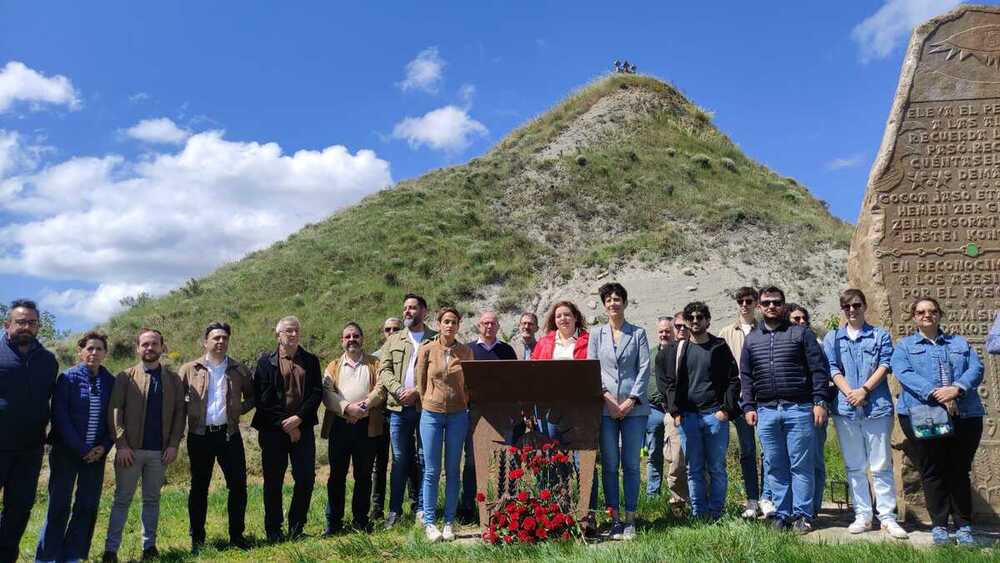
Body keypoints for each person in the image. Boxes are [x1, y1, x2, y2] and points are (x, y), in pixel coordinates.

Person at [891, 297, 984, 546]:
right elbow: (904, 373)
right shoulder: (904, 347)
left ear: (940, 314)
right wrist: (936, 393)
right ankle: (940, 525)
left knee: (959, 470)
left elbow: (976, 368)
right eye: (921, 312)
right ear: (914, 317)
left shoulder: (959, 343)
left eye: (932, 311)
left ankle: (964, 525)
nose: (927, 315)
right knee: (932, 470)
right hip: (923, 414)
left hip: (965, 414)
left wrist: (957, 388)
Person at [740, 286, 829, 534]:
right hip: (766, 411)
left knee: (801, 465)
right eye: (766, 303)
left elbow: (818, 370)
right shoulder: (752, 339)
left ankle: (803, 515)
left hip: (799, 408)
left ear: (783, 305)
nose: (771, 307)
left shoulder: (800, 334)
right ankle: (781, 513)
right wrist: (748, 406)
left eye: (776, 302)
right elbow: (746, 377)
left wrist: (820, 401)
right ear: (759, 306)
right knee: (775, 465)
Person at [822, 290, 907, 539]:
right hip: (845, 408)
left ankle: (887, 517)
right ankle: (863, 514)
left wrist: (864, 390)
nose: (852, 310)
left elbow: (885, 364)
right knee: (855, 465)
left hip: (876, 406)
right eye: (846, 306)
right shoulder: (833, 338)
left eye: (856, 305)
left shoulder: (879, 334)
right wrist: (850, 392)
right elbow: (832, 368)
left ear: (864, 306)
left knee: (881, 465)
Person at [103, 328, 185, 562]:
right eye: (145, 344)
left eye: (154, 344)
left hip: (160, 453)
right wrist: (121, 444)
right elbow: (115, 411)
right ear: (138, 348)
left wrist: (173, 445)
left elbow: (180, 413)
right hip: (130, 451)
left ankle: (149, 547)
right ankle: (111, 550)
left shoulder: (173, 379)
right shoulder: (125, 377)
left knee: (152, 500)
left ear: (162, 347)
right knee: (122, 500)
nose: (149, 348)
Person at [659, 302, 740, 520]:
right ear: (686, 321)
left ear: (708, 320)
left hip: (714, 415)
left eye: (700, 317)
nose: (695, 321)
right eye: (691, 318)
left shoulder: (719, 346)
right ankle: (699, 514)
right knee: (693, 469)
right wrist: (675, 412)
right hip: (688, 418)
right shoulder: (679, 349)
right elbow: (670, 383)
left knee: (716, 468)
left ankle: (716, 513)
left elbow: (733, 379)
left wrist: (726, 411)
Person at [178, 322, 254, 551]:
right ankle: (197, 539)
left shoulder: (239, 369)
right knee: (199, 487)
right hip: (199, 436)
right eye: (215, 338)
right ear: (205, 342)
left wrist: (238, 410)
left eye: (224, 338)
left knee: (239, 486)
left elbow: (252, 397)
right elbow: (176, 402)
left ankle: (237, 536)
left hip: (229, 435)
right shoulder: (190, 369)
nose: (220, 342)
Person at [35, 332, 109, 563]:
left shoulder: (111, 381)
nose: (94, 353)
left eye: (99, 349)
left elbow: (115, 419)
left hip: (96, 456)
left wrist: (103, 447)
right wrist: (82, 448)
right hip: (66, 453)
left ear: (105, 353)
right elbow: (60, 417)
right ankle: (47, 557)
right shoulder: (66, 379)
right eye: (89, 348)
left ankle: (74, 556)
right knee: (59, 505)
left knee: (87, 505)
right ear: (80, 352)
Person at [250, 316, 322, 543]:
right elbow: (263, 399)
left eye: (296, 331)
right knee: (273, 481)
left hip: (303, 428)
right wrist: (288, 425)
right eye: (288, 331)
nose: (293, 334)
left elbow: (316, 393)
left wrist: (299, 418)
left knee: (306, 478)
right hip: (273, 431)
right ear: (278, 334)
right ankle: (273, 529)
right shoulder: (265, 362)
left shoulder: (310, 361)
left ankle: (297, 526)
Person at [589, 283, 650, 541]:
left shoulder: (638, 333)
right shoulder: (596, 334)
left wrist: (631, 400)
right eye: (609, 299)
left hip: (634, 410)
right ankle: (613, 519)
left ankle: (630, 519)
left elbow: (644, 368)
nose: (613, 303)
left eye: (617, 299)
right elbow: (592, 368)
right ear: (604, 305)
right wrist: (608, 399)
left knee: (632, 465)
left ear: (625, 302)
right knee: (610, 465)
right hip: (605, 409)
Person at [0, 299, 58, 563]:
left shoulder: (47, 361)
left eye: (31, 322)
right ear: (7, 324)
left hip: (30, 449)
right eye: (20, 322)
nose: (26, 327)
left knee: (20, 509)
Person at [322, 322, 385, 535]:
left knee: (364, 475)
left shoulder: (375, 363)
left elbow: (381, 388)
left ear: (362, 339)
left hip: (366, 426)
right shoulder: (333, 366)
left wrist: (364, 406)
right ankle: (333, 523)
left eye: (356, 335)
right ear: (342, 341)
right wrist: (347, 408)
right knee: (336, 476)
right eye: (347, 336)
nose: (352, 340)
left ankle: (360, 520)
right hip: (340, 426)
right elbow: (327, 393)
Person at [416, 307, 474, 542]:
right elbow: (420, 381)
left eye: (454, 322)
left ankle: (449, 522)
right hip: (431, 414)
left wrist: (462, 401)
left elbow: (470, 383)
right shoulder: (428, 349)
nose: (450, 325)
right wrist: (428, 400)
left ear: (459, 325)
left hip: (458, 415)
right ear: (439, 324)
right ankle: (430, 522)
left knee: (453, 469)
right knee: (431, 470)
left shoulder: (466, 351)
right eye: (446, 321)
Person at [379, 294, 436, 528]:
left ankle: (422, 509)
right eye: (405, 308)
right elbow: (384, 370)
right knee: (400, 459)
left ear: (424, 311)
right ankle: (394, 511)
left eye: (413, 308)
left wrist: (417, 392)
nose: (407, 312)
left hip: (426, 408)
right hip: (398, 409)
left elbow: (439, 373)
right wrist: (400, 390)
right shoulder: (394, 340)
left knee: (425, 459)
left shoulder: (436, 339)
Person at [459, 310, 517, 521]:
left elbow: (514, 383)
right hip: (475, 413)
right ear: (478, 326)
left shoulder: (507, 350)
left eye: (493, 323)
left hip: (503, 413)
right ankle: (468, 507)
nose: (489, 326)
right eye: (485, 323)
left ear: (498, 326)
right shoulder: (469, 350)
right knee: (473, 461)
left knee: (505, 460)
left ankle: (506, 506)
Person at [718, 287, 764, 518]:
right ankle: (752, 500)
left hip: (764, 398)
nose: (744, 304)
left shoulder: (765, 329)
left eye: (749, 300)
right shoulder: (726, 332)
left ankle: (769, 498)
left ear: (756, 303)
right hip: (736, 401)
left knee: (769, 452)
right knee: (747, 451)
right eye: (740, 301)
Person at [786, 304, 832, 520]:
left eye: (804, 318)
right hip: (789, 408)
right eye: (796, 319)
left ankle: (812, 506)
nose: (802, 322)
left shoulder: (818, 342)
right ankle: (791, 506)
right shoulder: (783, 342)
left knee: (813, 458)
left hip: (813, 407)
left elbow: (821, 374)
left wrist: (820, 402)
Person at [647, 315, 688, 508]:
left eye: (667, 331)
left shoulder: (681, 352)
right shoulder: (651, 353)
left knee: (676, 453)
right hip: (654, 410)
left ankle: (681, 494)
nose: (664, 334)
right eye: (661, 331)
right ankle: (652, 494)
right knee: (654, 451)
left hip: (675, 411)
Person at [371, 317, 401, 523]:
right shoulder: (374, 358)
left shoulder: (409, 352)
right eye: (387, 329)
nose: (391, 332)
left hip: (402, 413)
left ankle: (411, 505)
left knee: (405, 460)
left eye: (395, 329)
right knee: (378, 463)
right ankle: (376, 508)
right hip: (379, 416)